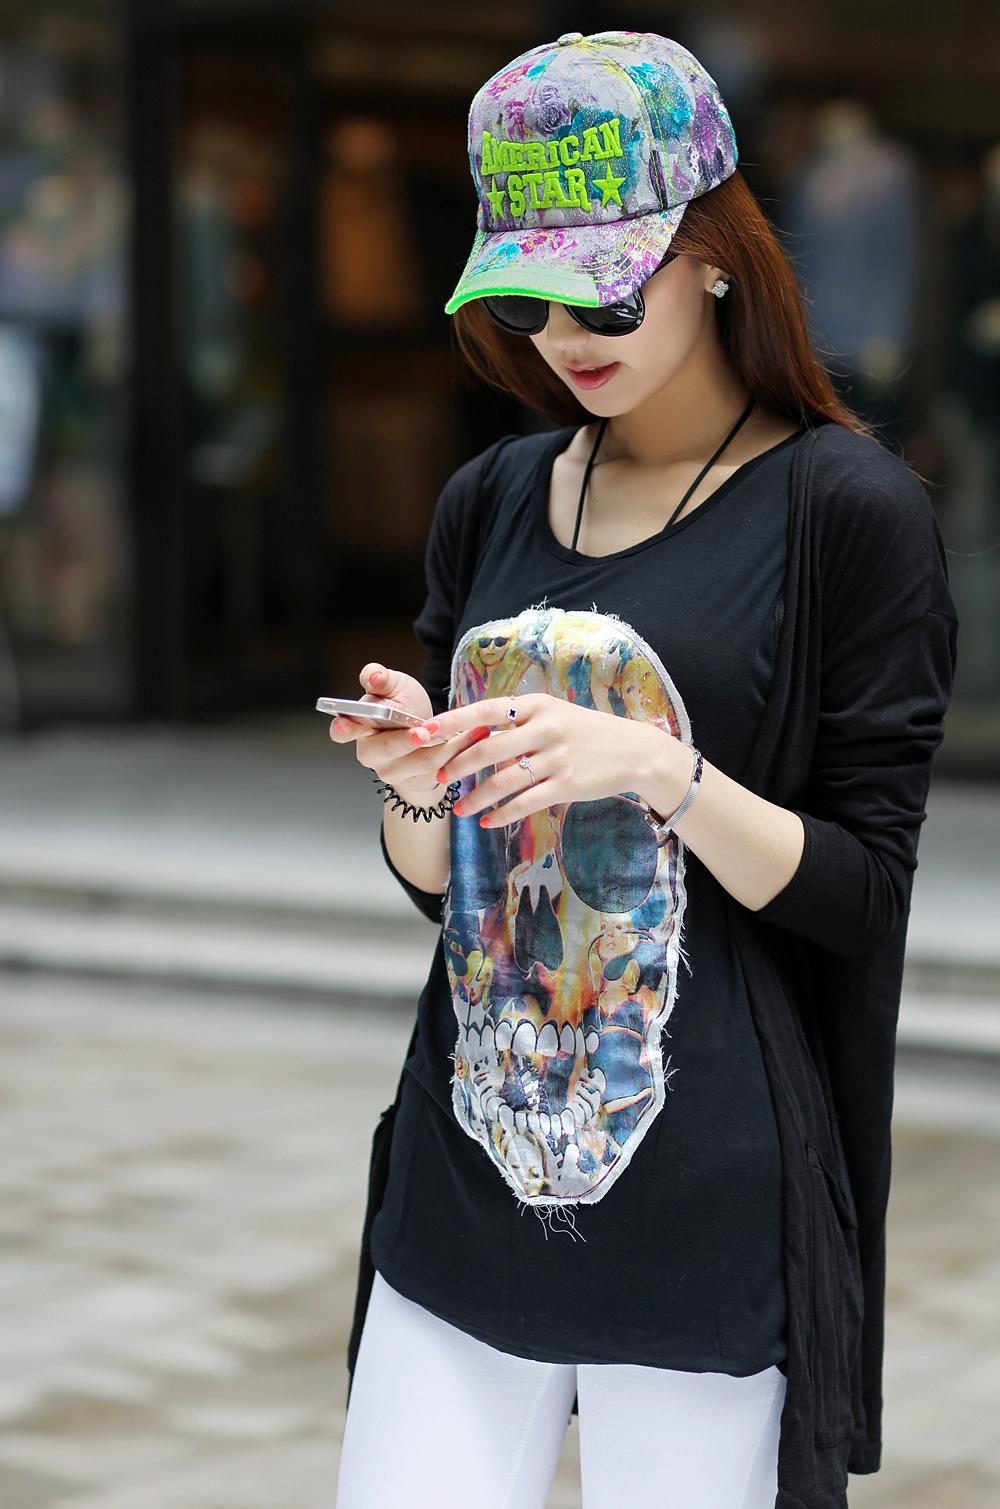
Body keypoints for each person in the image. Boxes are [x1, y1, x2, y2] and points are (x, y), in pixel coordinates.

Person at [329, 30, 958, 1509]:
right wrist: (416, 777)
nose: (567, 334)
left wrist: (660, 774)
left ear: (716, 254)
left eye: (607, 288)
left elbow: (864, 892)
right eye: (529, 298)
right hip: (467, 1167)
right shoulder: (492, 496)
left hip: (705, 1208)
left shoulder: (845, 512)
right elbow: (440, 885)